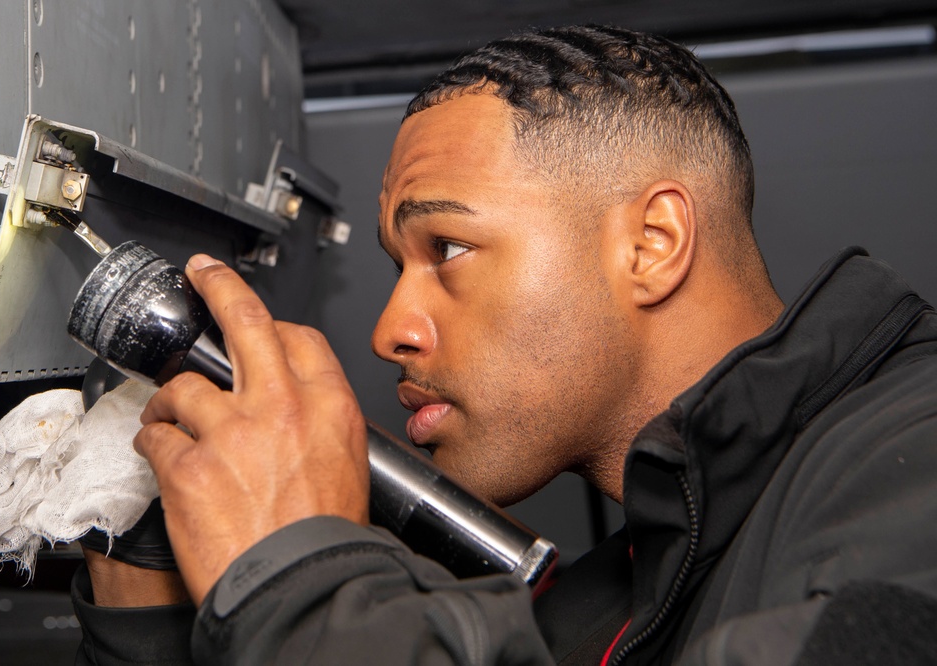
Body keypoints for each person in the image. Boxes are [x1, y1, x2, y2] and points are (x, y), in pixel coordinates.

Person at [71, 24, 937, 665]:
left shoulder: (915, 448)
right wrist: (159, 585)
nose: (389, 331)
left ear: (653, 243)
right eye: (395, 265)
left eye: (447, 249)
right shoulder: (619, 597)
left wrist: (303, 576)